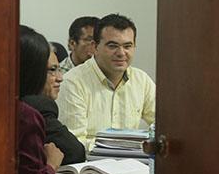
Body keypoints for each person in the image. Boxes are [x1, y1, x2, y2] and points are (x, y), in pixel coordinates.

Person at [18, 26, 92, 174]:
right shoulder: (26, 115)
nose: (60, 77)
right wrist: (51, 164)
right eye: (51, 70)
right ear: (31, 71)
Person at [57, 14, 155, 152]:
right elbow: (75, 143)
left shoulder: (142, 80)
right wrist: (125, 148)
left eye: (127, 46)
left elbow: (163, 126)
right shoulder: (72, 82)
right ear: (95, 47)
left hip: (133, 166)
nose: (121, 53)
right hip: (88, 168)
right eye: (112, 46)